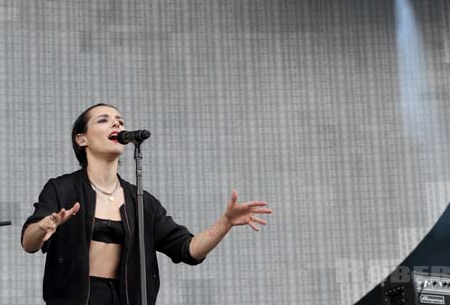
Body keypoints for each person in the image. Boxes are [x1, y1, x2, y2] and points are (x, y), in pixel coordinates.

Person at [21, 103, 272, 305]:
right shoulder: (61, 188)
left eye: (119, 119)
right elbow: (28, 243)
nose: (117, 123)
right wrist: (44, 226)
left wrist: (225, 223)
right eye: (103, 119)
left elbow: (189, 250)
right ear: (81, 139)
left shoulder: (141, 200)